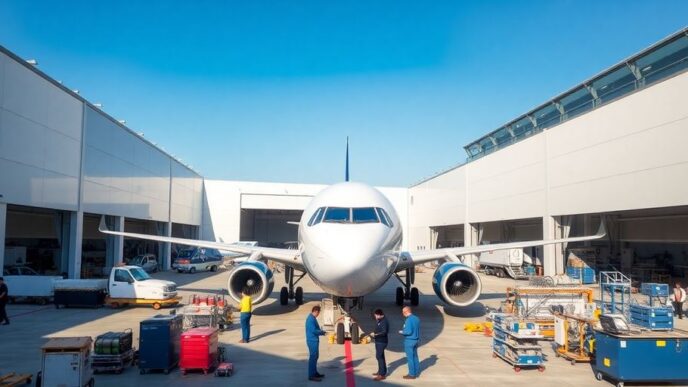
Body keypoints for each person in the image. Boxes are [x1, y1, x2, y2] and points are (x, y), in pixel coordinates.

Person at [305, 305, 326, 382]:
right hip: (312, 341)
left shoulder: (312, 318)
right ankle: (311, 375)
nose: (318, 315)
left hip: (314, 340)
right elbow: (314, 331)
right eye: (318, 313)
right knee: (313, 357)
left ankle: (315, 372)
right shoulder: (310, 319)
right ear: (316, 312)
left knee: (316, 356)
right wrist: (322, 332)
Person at [398, 306, 420, 379]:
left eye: (403, 312)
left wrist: (402, 332)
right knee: (415, 357)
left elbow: (408, 331)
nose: (402, 313)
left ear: (406, 312)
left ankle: (411, 374)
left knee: (410, 358)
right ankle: (416, 372)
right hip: (416, 340)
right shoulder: (416, 318)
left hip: (409, 341)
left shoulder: (408, 320)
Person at [371, 309, 389, 381]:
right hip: (378, 341)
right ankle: (381, 371)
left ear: (379, 315)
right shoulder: (379, 320)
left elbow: (384, 332)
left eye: (376, 315)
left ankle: (382, 375)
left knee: (379, 357)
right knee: (381, 357)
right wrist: (373, 333)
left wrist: (375, 334)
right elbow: (378, 329)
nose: (375, 316)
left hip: (382, 342)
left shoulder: (384, 321)